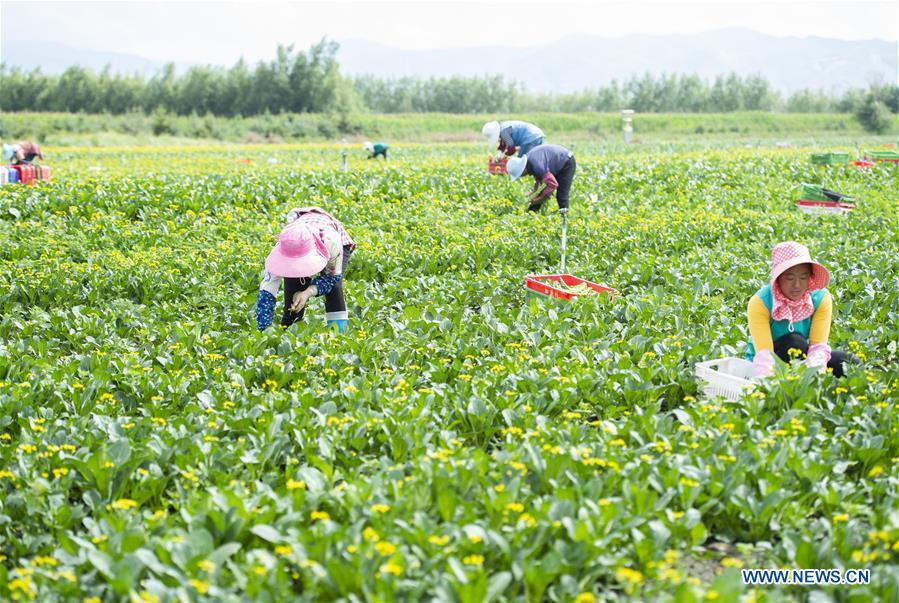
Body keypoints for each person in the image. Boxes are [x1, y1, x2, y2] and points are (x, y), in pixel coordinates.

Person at [745, 241, 856, 377]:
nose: (797, 285)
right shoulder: (760, 302)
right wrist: (770, 388)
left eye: (803, 277)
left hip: (804, 359)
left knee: (846, 362)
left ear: (810, 277)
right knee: (794, 343)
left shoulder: (820, 298)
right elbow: (764, 355)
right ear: (778, 278)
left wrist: (813, 378)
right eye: (789, 277)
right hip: (764, 364)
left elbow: (817, 347)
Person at [255, 207, 356, 333]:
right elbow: (267, 292)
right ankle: (289, 333)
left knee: (334, 287)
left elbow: (331, 277)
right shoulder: (282, 248)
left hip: (328, 241)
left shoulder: (331, 240)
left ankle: (339, 334)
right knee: (294, 297)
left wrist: (308, 292)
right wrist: (263, 331)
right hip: (299, 236)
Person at [506, 144, 576, 213]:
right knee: (541, 191)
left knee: (561, 194)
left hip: (566, 162)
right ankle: (531, 213)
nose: (522, 176)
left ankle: (564, 216)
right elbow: (539, 180)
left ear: (522, 169)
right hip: (557, 162)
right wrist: (535, 192)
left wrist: (540, 199)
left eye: (521, 174)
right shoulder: (530, 162)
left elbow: (553, 184)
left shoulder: (537, 165)